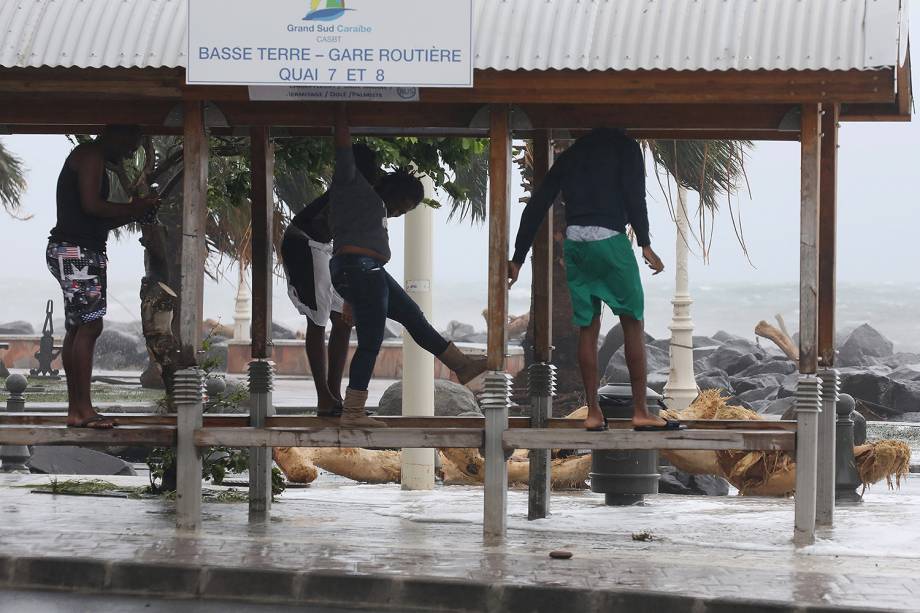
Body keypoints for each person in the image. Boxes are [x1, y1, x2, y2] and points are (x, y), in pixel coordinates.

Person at [508, 128, 683, 432]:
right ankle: (641, 411)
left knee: (588, 328)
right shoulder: (625, 146)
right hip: (611, 242)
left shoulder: (572, 155)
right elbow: (634, 195)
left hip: (576, 245)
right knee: (632, 322)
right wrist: (644, 242)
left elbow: (537, 205)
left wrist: (518, 258)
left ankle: (593, 413)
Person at [328, 104, 488, 428]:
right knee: (371, 341)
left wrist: (349, 298)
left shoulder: (366, 203)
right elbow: (343, 147)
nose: (379, 172)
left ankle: (462, 365)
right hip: (362, 269)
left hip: (364, 271)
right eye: (374, 166)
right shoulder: (351, 183)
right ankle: (353, 411)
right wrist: (342, 110)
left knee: (414, 317)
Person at [47, 125, 159, 429]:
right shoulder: (90, 155)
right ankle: (82, 410)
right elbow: (92, 206)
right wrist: (133, 206)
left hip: (78, 249)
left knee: (79, 327)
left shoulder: (93, 158)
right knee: (89, 325)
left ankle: (77, 410)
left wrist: (136, 213)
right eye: (130, 143)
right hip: (75, 252)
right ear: (115, 133)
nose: (130, 152)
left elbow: (94, 218)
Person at [280, 144, 380, 417]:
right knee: (319, 318)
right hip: (305, 242)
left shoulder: (365, 194)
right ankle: (324, 396)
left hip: (327, 247)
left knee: (343, 319)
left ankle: (334, 395)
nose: (374, 173)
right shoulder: (349, 189)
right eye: (370, 168)